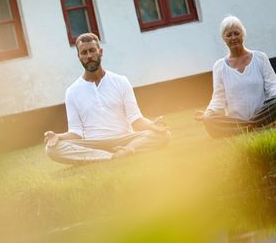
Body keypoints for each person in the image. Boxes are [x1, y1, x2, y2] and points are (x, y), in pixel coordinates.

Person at [44, 33, 170, 164]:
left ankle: (125, 150)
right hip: (94, 144)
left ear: (100, 51)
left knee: (164, 135)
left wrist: (153, 125)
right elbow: (75, 132)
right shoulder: (72, 91)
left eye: (92, 50)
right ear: (79, 57)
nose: (89, 56)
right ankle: (112, 156)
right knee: (51, 149)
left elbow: (136, 119)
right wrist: (58, 136)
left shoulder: (121, 81)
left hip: (125, 138)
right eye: (84, 53)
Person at [194, 16, 276, 138]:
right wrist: (209, 113)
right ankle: (256, 126)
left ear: (242, 34)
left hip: (262, 115)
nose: (233, 38)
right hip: (236, 121)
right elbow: (218, 97)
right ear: (224, 39)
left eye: (236, 33)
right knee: (210, 120)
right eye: (229, 35)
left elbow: (273, 87)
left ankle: (249, 127)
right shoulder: (219, 66)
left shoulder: (260, 58)